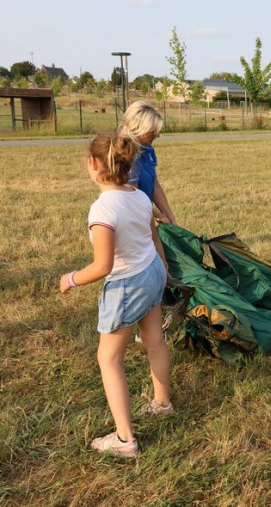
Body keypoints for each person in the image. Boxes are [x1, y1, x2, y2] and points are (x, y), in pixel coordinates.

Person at [60, 132, 174, 458]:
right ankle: (162, 403)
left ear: (93, 164)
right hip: (152, 273)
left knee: (108, 359)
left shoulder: (102, 210)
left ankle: (125, 440)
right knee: (155, 340)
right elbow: (154, 238)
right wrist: (163, 269)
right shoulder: (139, 195)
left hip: (127, 285)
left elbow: (102, 266)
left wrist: (70, 279)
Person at [119, 101, 177, 224]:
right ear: (137, 128)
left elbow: (154, 185)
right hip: (130, 219)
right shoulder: (126, 157)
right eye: (153, 131)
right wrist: (159, 216)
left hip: (145, 214)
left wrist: (170, 217)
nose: (158, 135)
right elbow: (134, 198)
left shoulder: (147, 149)